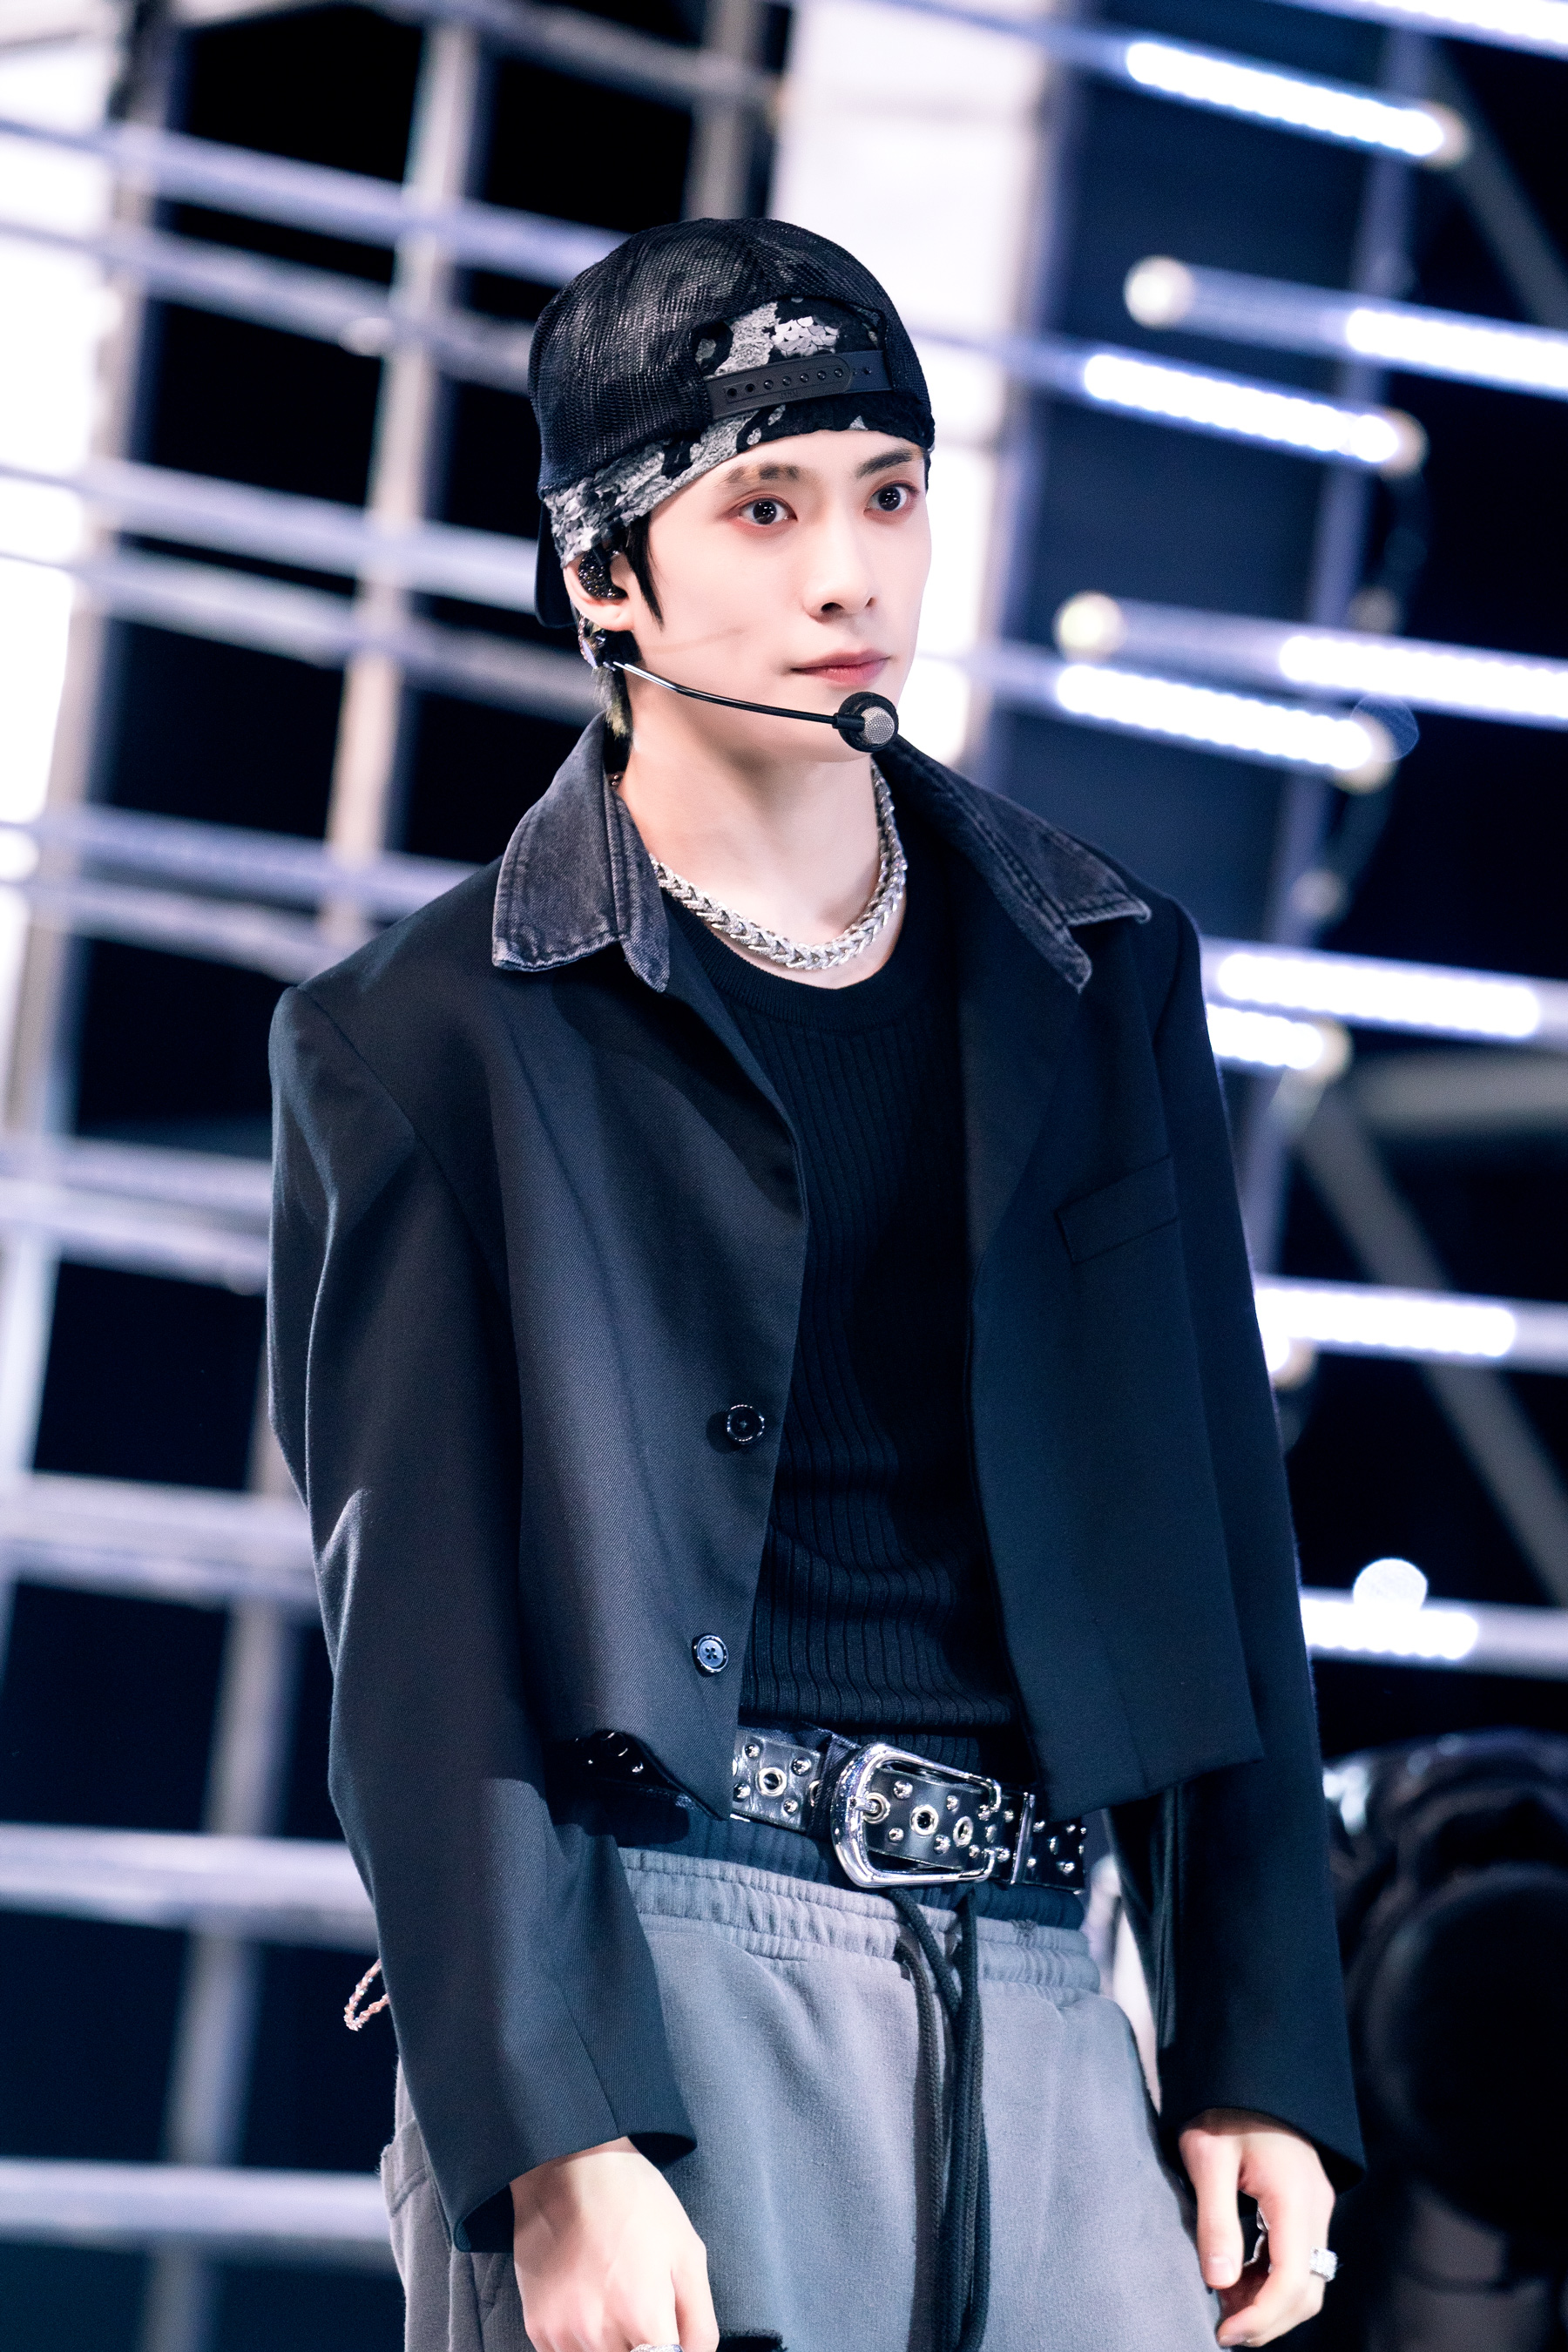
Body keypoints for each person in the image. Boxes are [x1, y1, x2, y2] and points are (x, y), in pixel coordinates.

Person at [267, 216, 1362, 2352]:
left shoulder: (1098, 967)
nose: (849, 575)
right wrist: (555, 2138)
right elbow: (420, 1650)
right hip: (663, 1984)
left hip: (1049, 1985)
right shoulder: (428, 1034)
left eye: (889, 494)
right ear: (607, 573)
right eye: (764, 509)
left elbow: (1219, 1529)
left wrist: (1257, 2049)